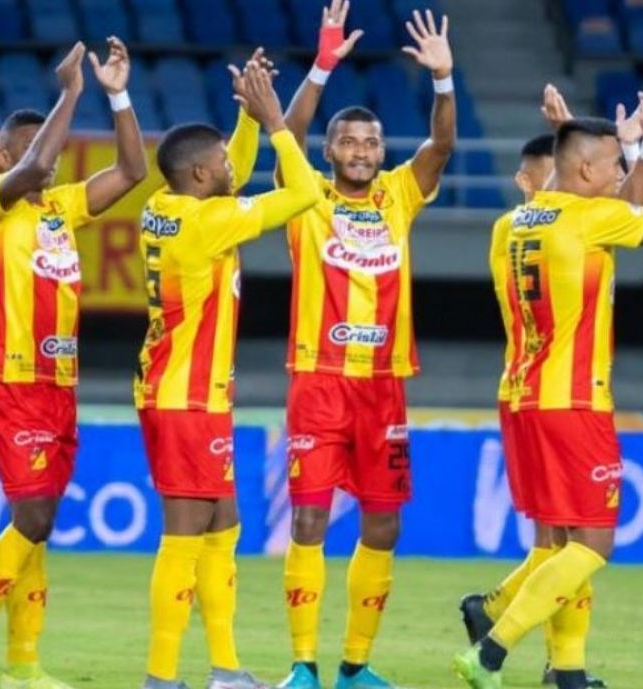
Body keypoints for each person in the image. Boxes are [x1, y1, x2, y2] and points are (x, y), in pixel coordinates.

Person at [453, 92, 643, 689]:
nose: (620, 175)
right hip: (574, 402)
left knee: (561, 542)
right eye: (613, 165)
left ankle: (564, 670)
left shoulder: (509, 225)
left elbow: (607, 203)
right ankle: (491, 648)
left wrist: (628, 148)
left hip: (522, 396)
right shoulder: (589, 221)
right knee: (592, 544)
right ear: (586, 169)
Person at [0, 37, 147, 689]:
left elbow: (133, 170)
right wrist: (71, 94)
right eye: (33, 152)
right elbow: (33, 169)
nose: (49, 163)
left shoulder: (61, 209)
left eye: (52, 153)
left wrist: (118, 95)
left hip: (59, 385)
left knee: (40, 526)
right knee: (31, 516)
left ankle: (23, 664)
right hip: (11, 378)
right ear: (6, 157)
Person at [271, 4, 454, 687]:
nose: (360, 151)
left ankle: (355, 665)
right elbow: (286, 134)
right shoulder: (307, 196)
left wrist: (443, 80)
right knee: (309, 518)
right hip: (318, 379)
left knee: (383, 526)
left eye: (371, 142)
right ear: (329, 152)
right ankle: (302, 665)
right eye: (348, 141)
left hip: (384, 385)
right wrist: (321, 67)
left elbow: (441, 147)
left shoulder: (400, 194)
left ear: (381, 151)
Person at [135, 57, 318, 689]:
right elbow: (304, 194)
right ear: (199, 175)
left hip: (187, 391)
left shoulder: (166, 204)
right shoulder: (208, 223)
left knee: (223, 524)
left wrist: (245, 116)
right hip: (186, 398)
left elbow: (228, 173)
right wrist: (276, 125)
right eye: (222, 165)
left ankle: (225, 670)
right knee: (185, 533)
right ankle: (161, 676)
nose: (233, 170)